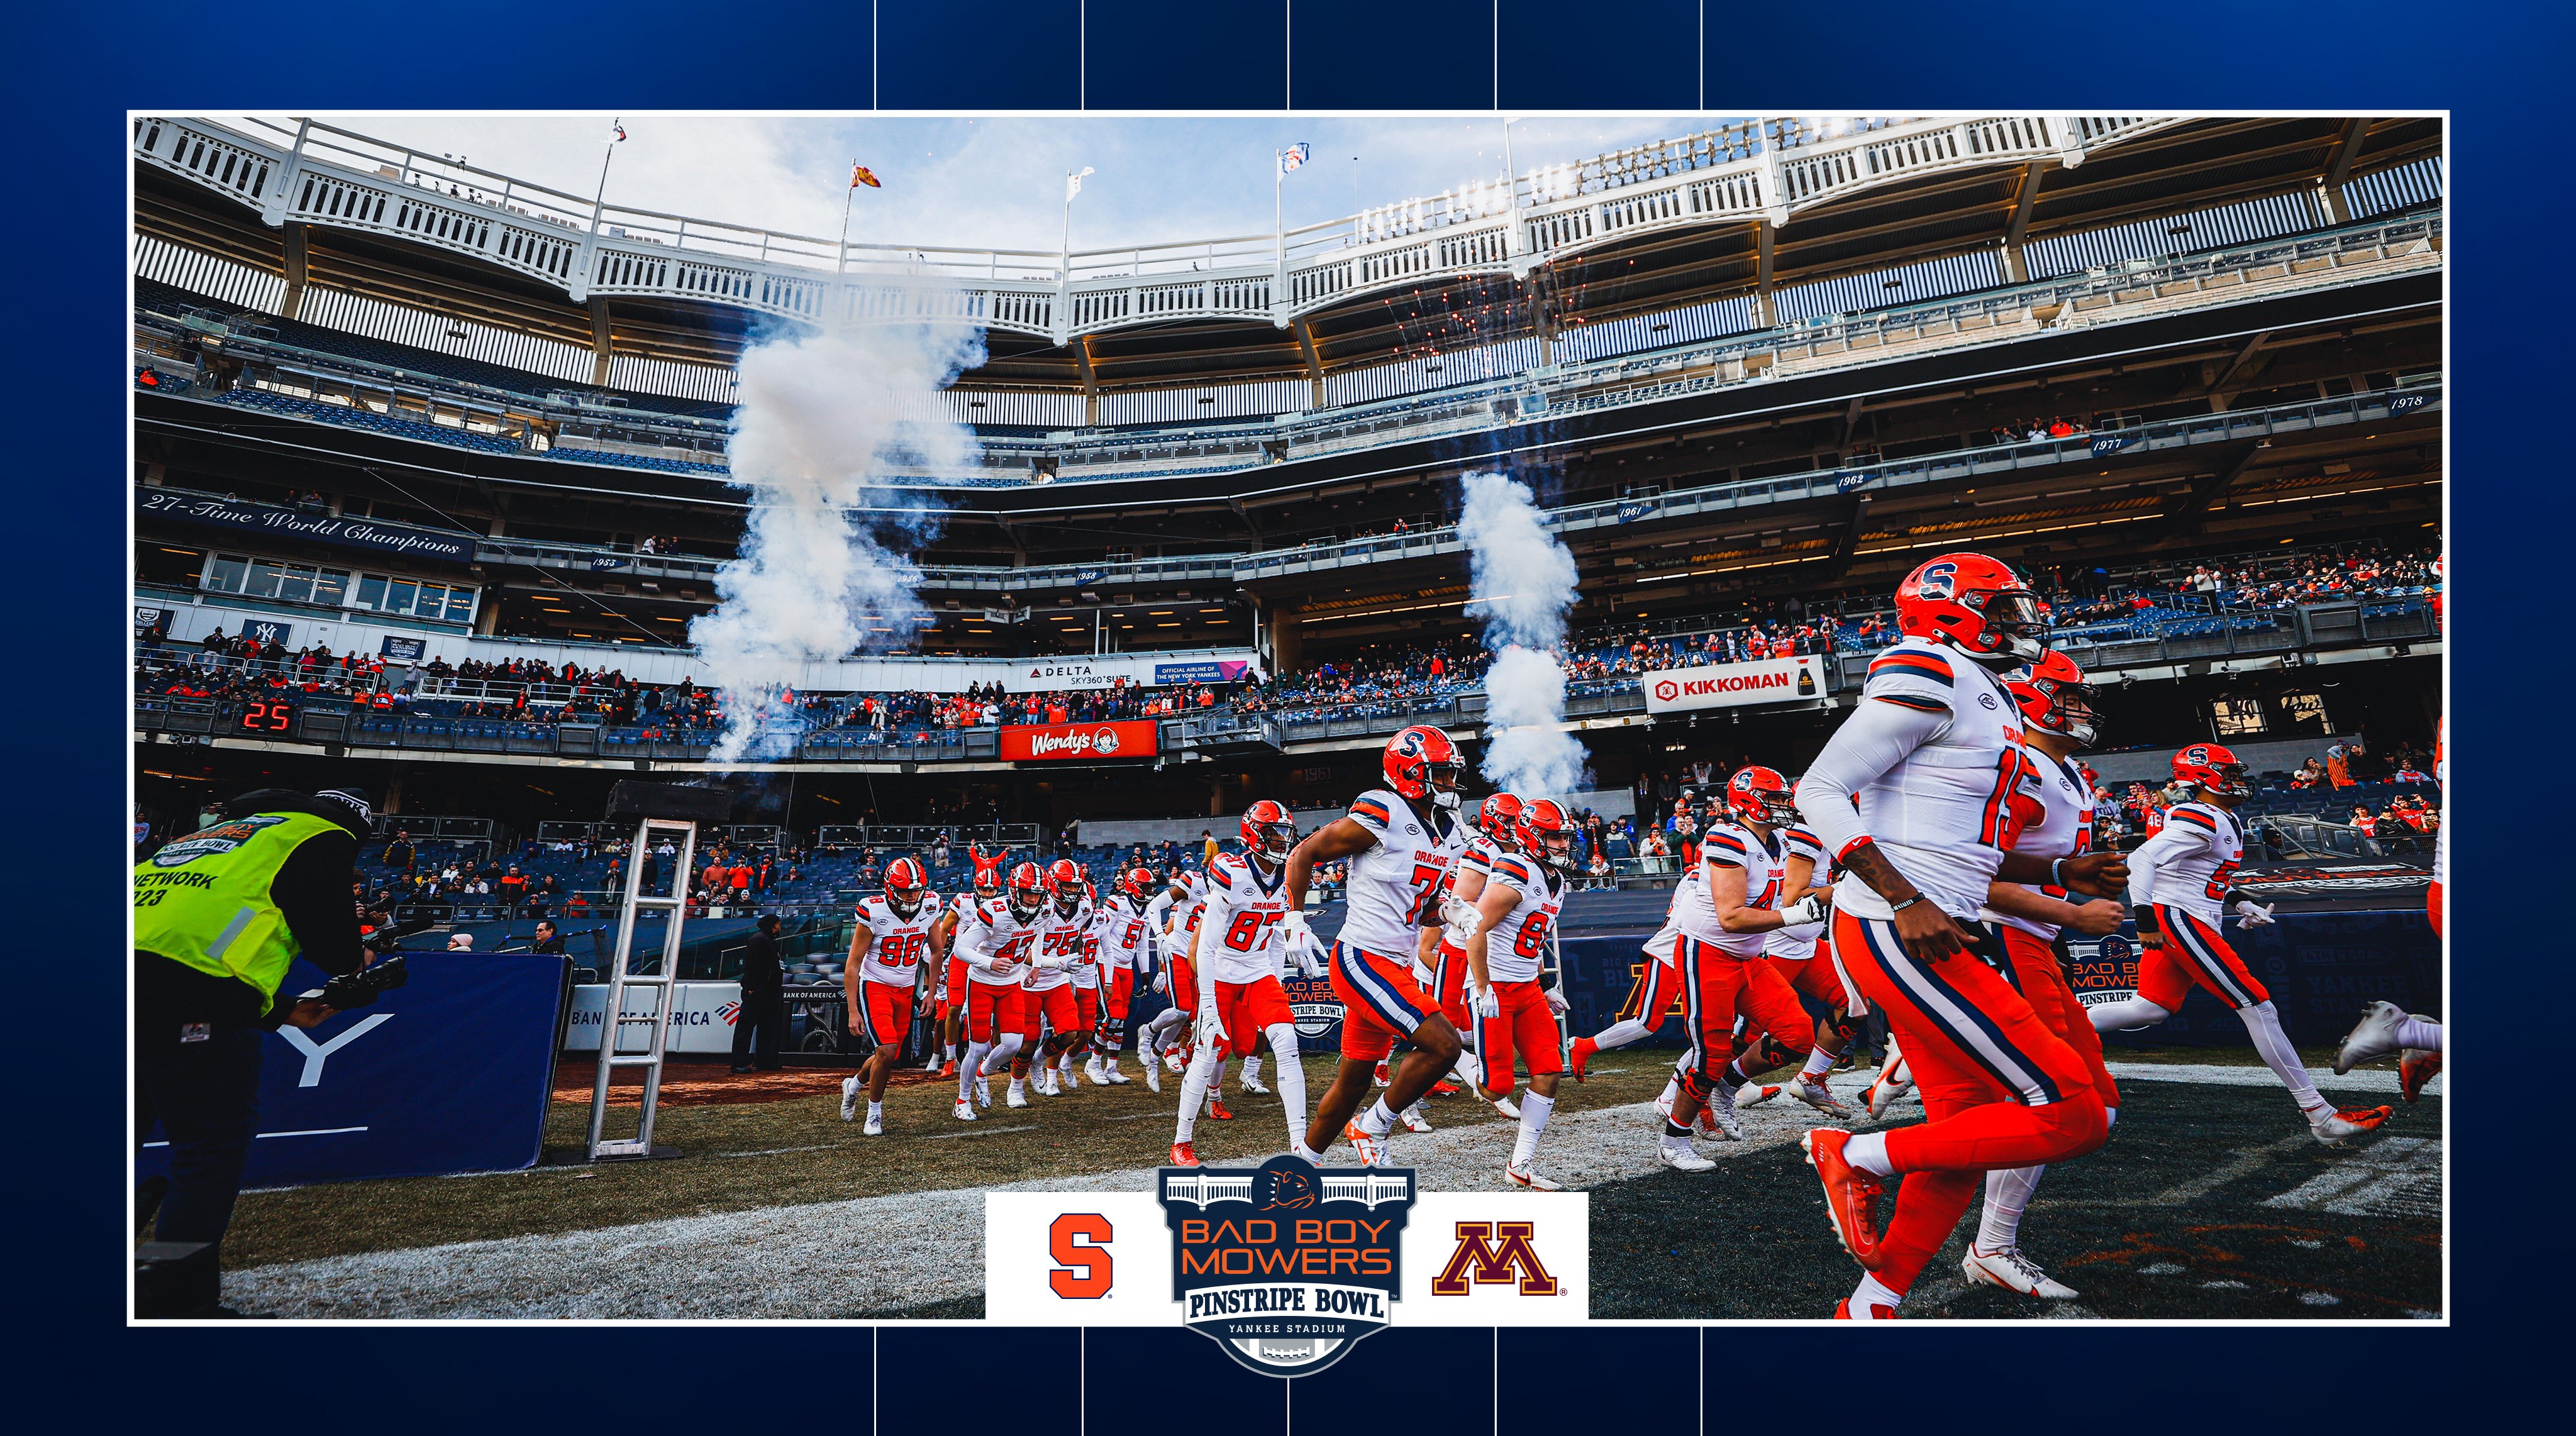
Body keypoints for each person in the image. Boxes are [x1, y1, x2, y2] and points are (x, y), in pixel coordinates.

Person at [1790, 553, 2129, 1321]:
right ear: (1952, 610)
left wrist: (2062, 867)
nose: (2019, 620)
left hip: (1935, 927)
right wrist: (1903, 895)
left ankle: (1872, 1305)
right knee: (2072, 1109)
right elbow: (1819, 787)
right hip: (1896, 926)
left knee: (1963, 1129)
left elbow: (1959, 839)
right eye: (2000, 606)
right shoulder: (1927, 667)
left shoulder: (1992, 697)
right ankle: (1850, 1153)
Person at [133, 787, 373, 1313]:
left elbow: (183, 941)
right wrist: (360, 958)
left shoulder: (207, 836)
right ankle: (176, 1300)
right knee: (209, 1151)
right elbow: (335, 951)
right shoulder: (320, 835)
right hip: (188, 1001)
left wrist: (282, 1011)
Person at [2084, 743, 2392, 1144]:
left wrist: (2239, 901)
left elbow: (2206, 874)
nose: (2236, 780)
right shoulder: (2201, 816)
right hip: (2180, 917)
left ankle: (2055, 1023)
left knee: (2152, 1008)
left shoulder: (2220, 816)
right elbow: (2142, 861)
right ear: (2203, 777)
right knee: (2258, 1007)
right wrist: (2143, 920)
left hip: (2186, 913)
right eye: (2227, 773)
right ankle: (2321, 1115)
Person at [1960, 650, 2129, 1300]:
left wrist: (2084, 877)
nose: (2082, 707)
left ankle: (1990, 1240)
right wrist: (2069, 902)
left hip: (2038, 940)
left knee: (2097, 1107)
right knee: (2051, 1097)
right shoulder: (2022, 769)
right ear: (2030, 699)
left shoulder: (2064, 772)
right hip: (2006, 937)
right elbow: (1978, 873)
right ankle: (1990, 1244)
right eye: (2070, 695)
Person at [1286, 726, 1471, 1166]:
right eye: (1441, 774)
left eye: (1450, 774)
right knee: (1445, 1046)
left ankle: (1303, 1163)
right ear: (1410, 772)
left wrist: (1449, 912)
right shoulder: (1383, 811)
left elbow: (1422, 908)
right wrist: (1293, 917)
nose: (1449, 783)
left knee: (1353, 1080)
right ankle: (1373, 1127)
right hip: (1361, 959)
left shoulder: (1449, 831)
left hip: (1395, 963)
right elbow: (1303, 855)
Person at [1169, 801, 1319, 1166]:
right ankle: (1182, 1142)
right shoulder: (1231, 872)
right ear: (1254, 834)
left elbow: (1276, 937)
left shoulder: (1287, 877)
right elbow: (1205, 947)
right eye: (1274, 833)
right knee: (1207, 1053)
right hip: (1220, 971)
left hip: (1257, 973)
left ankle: (1301, 1143)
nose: (1283, 841)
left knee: (1286, 1041)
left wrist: (1277, 979)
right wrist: (1207, 1003)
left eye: (1286, 833)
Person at [1461, 799, 1576, 1189]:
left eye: (1565, 836)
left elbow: (1532, 936)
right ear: (1533, 836)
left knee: (1548, 1071)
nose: (1564, 844)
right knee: (1497, 1087)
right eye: (1556, 837)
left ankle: (1521, 1164)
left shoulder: (1558, 881)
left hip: (1526, 987)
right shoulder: (1517, 870)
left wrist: (1546, 984)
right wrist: (1481, 987)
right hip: (1495, 986)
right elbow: (1474, 928)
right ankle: (1459, 1060)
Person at [841, 859, 939, 1135]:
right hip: (876, 985)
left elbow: (935, 952)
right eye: (904, 889)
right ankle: (874, 1113)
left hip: (907, 988)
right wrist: (852, 1010)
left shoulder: (930, 905)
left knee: (889, 1053)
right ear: (890, 888)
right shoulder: (873, 910)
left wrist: (931, 992)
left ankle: (854, 1085)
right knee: (886, 1050)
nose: (911, 895)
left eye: (915, 890)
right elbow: (853, 962)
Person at [953, 863, 1048, 1120]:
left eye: (1038, 894)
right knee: (978, 1045)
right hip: (982, 982)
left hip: (1011, 983)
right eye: (1028, 893)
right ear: (1015, 891)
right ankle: (962, 1100)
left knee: (1014, 1043)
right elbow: (960, 949)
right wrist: (990, 962)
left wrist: (1036, 966)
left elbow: (1038, 932)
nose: (1033, 899)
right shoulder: (995, 912)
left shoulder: (1044, 910)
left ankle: (983, 1073)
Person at [730, 914, 787, 1074]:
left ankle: (764, 1060)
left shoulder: (768, 940)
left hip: (770, 990)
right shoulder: (759, 940)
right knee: (746, 1025)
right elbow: (751, 966)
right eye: (779, 924)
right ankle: (738, 1062)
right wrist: (751, 987)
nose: (780, 927)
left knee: (767, 1027)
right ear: (774, 925)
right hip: (758, 990)